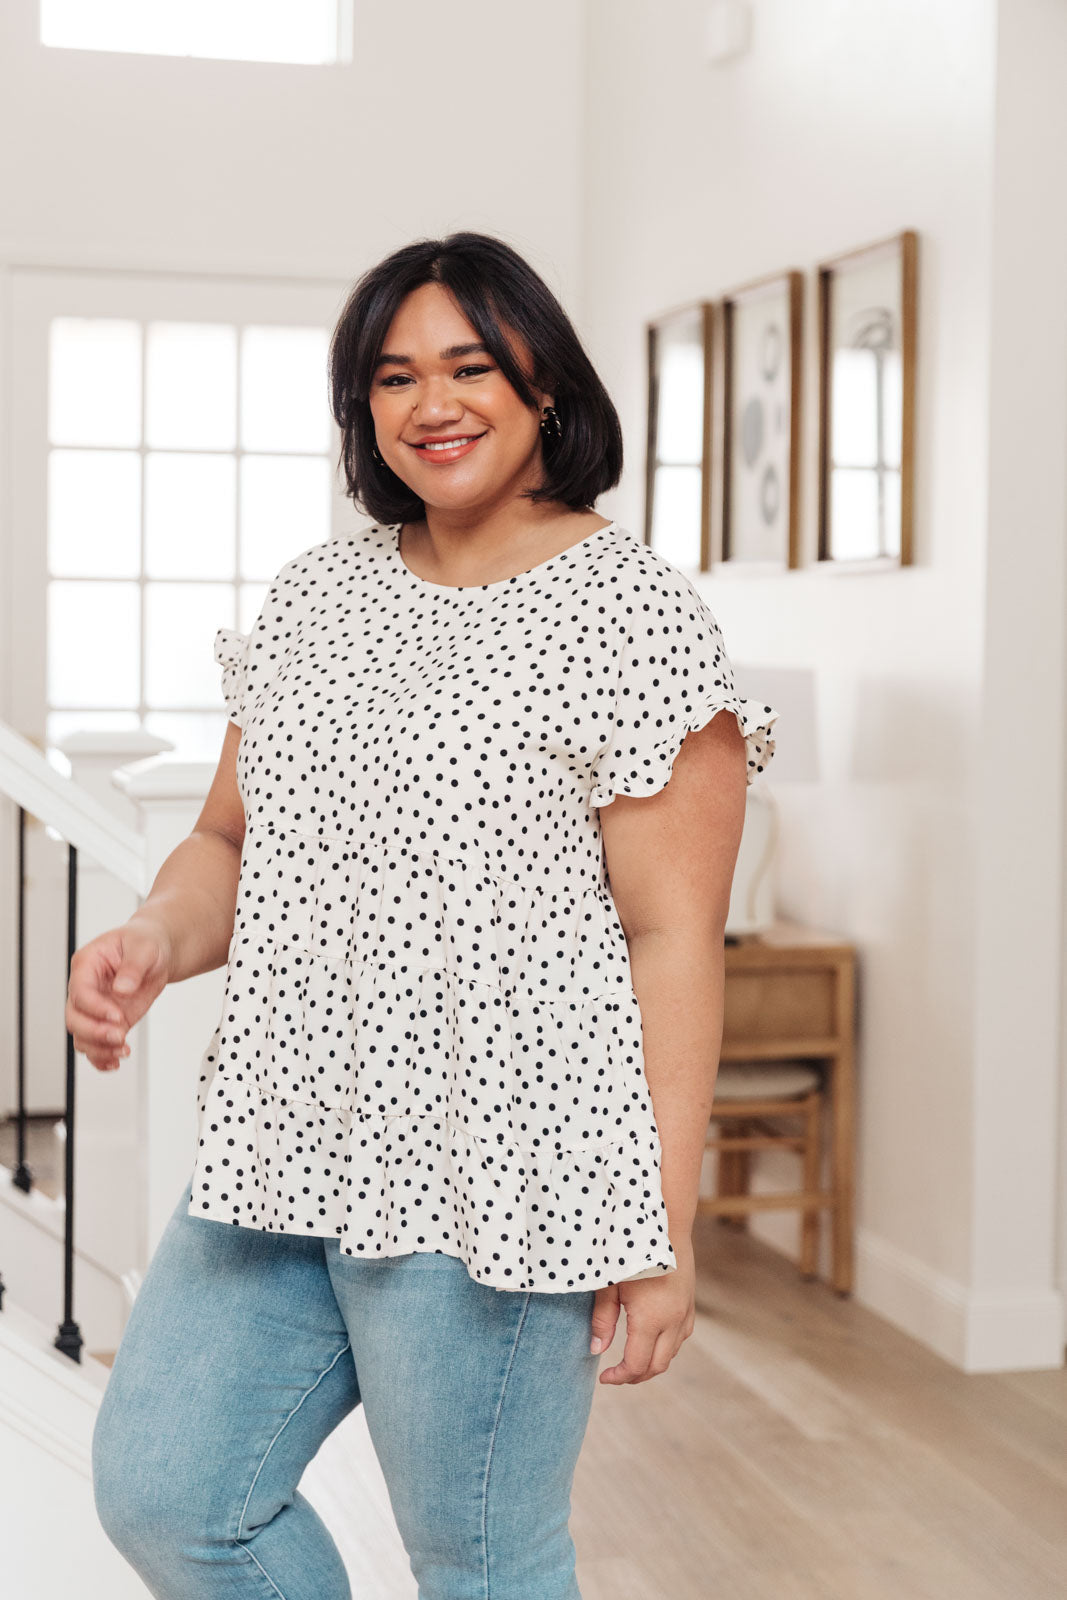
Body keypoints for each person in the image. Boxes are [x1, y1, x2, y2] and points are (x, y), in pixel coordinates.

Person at [69, 231, 779, 1600]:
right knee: (169, 1493)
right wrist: (154, 936)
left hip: (499, 1160)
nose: (431, 404)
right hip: (282, 1137)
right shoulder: (317, 594)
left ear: (544, 387)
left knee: (478, 1561)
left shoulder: (634, 612)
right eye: (394, 377)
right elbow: (229, 841)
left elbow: (673, 939)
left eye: (470, 366)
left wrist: (663, 1231)